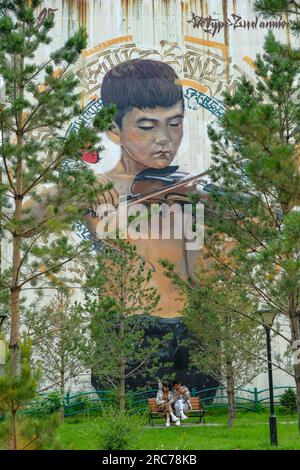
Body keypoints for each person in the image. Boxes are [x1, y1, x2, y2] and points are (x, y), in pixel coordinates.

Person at [83, 58, 202, 317]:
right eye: (147, 127)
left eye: (174, 123)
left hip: (189, 329)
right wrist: (76, 184)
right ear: (113, 129)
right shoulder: (97, 189)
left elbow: (200, 278)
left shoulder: (188, 193)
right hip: (124, 333)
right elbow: (24, 221)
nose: (164, 139)